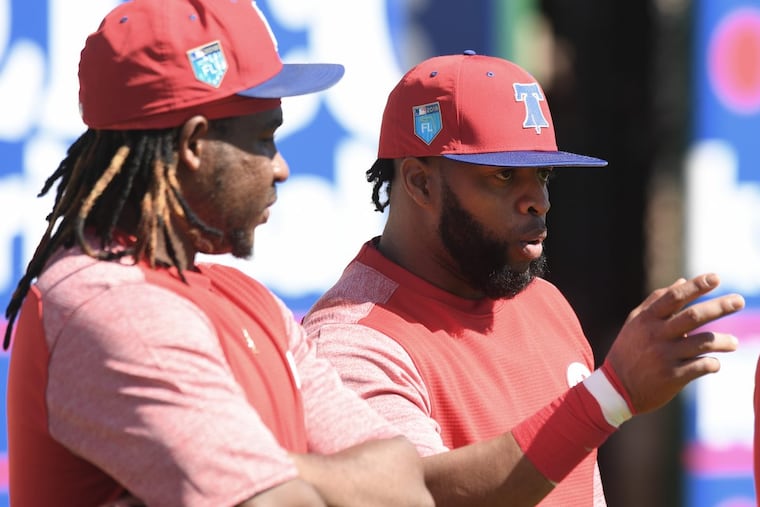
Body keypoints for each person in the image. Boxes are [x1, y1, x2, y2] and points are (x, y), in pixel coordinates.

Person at [2, 1, 435, 506]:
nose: (281, 168)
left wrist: (268, 466)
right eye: (265, 138)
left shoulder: (245, 297)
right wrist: (294, 483)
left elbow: (406, 487)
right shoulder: (106, 303)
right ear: (194, 144)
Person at [301, 51, 745, 506]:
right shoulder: (351, 342)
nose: (538, 201)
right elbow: (416, 496)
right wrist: (612, 393)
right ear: (420, 183)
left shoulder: (544, 302)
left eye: (543, 174)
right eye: (504, 175)